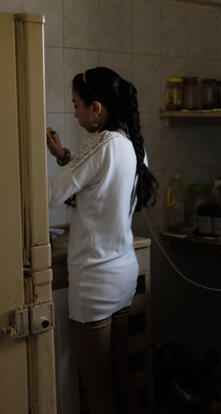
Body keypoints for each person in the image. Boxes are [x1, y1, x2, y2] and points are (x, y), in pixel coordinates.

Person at [46, 66, 157, 414]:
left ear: (97, 109)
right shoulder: (132, 146)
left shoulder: (102, 144)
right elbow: (97, 184)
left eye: (77, 105)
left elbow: (52, 193)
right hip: (122, 272)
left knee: (96, 383)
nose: (75, 113)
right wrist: (62, 155)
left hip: (94, 280)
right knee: (120, 372)